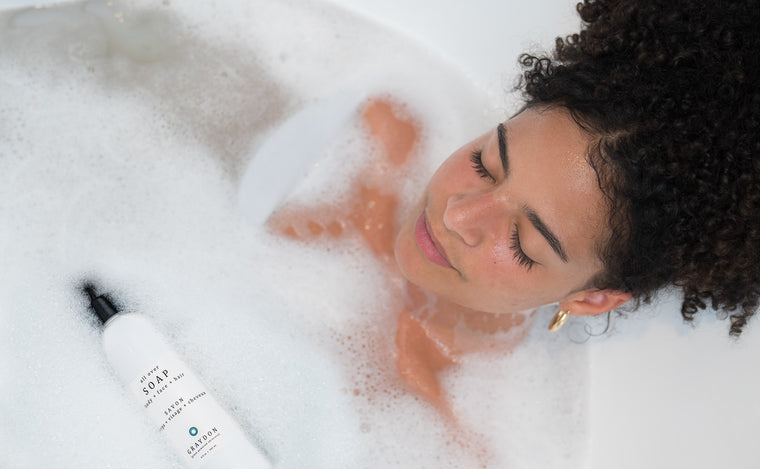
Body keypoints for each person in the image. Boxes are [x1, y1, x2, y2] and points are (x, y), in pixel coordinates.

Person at [270, 0, 759, 411]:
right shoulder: (381, 133)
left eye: (522, 242)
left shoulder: (456, 422)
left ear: (590, 300)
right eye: (486, 164)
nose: (458, 215)